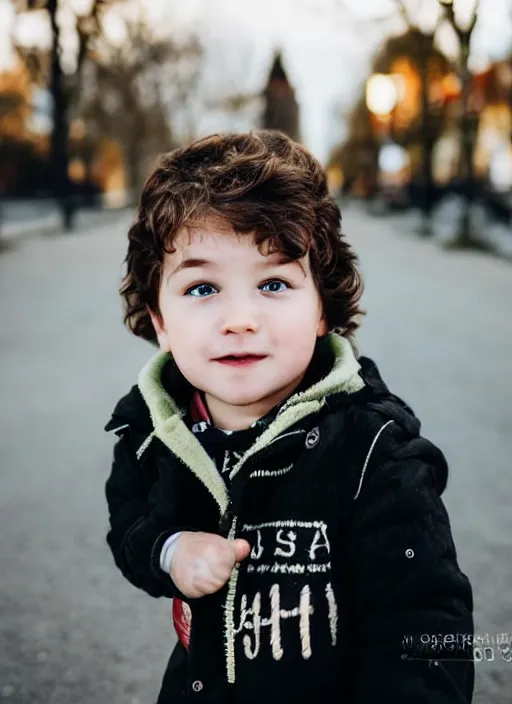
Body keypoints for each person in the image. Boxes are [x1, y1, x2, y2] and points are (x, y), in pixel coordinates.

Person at [104, 130, 474, 704]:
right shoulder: (154, 432)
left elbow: (426, 625)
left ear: (323, 307)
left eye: (273, 283)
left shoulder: (375, 453)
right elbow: (128, 519)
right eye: (203, 287)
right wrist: (170, 550)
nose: (240, 318)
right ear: (160, 321)